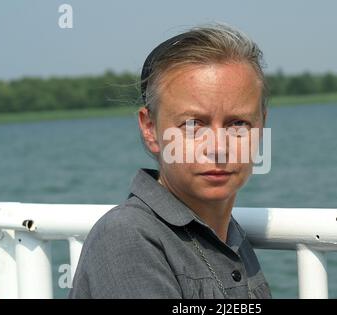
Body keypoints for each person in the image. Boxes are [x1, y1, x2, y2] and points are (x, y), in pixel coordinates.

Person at [69, 23, 272, 299]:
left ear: (262, 126)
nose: (218, 147)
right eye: (193, 124)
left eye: (238, 123)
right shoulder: (128, 237)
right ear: (150, 128)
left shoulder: (228, 237)